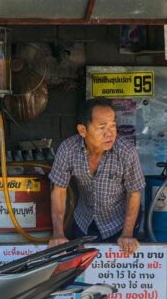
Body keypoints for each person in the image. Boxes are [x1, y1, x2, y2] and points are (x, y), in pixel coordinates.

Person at [49, 98, 145, 254]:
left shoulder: (126, 152)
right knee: (86, 268)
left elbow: (134, 193)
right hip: (84, 220)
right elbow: (59, 191)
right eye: (102, 127)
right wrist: (58, 234)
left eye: (113, 126)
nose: (110, 133)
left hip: (119, 222)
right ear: (82, 130)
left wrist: (127, 234)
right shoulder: (68, 149)